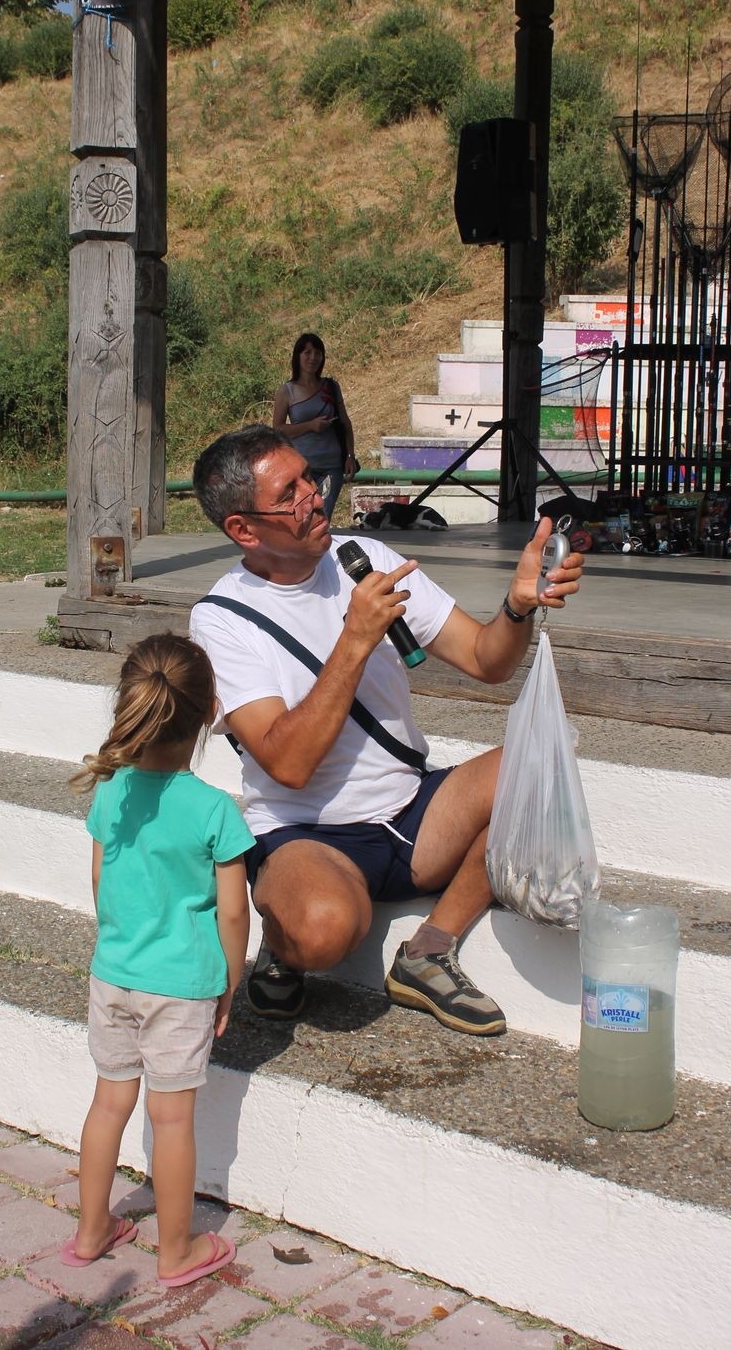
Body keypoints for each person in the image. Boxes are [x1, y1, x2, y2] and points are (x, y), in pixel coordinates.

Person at [190, 425, 584, 1038]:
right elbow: (286, 764)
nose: (314, 498)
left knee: (540, 759)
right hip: (307, 833)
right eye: (289, 494)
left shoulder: (366, 560)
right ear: (244, 529)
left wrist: (516, 606)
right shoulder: (222, 619)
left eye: (310, 480)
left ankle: (428, 951)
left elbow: (487, 660)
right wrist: (354, 638)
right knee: (323, 933)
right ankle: (283, 938)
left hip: (410, 811)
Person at [64, 633, 251, 1286]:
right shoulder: (214, 811)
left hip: (113, 974)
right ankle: (177, 1252)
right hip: (181, 987)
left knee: (107, 1104)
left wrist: (122, 943)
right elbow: (233, 913)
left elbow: (99, 885)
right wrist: (228, 981)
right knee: (171, 1119)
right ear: (208, 712)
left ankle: (91, 1231)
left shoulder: (111, 794)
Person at [272, 331, 356, 520]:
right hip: (301, 468)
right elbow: (278, 429)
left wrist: (350, 455)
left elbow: (345, 422)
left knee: (322, 517)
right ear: (298, 356)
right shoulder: (287, 391)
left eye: (318, 353)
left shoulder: (331, 386)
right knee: (302, 518)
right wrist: (310, 426)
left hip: (331, 466)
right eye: (307, 353)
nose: (313, 358)